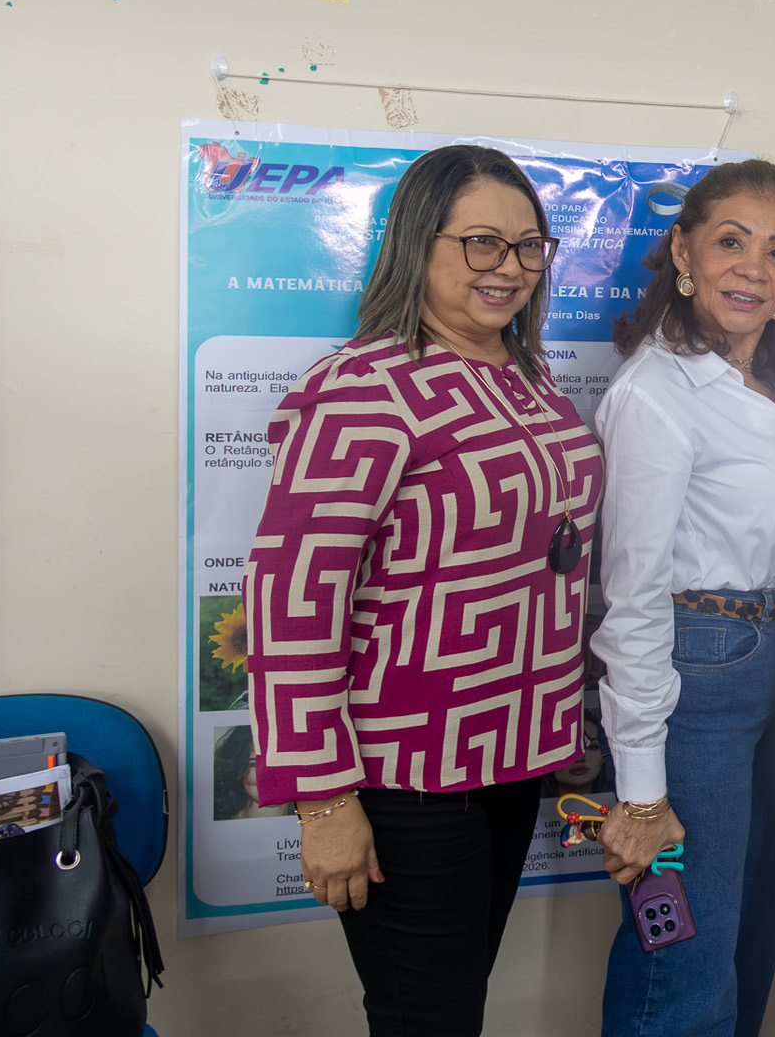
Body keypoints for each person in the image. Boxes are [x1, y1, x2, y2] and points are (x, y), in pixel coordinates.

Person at [245, 143, 602, 1037]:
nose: (508, 267)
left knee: (456, 1005)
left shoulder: (525, 376)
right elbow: (291, 600)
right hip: (403, 775)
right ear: (418, 242)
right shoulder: (359, 389)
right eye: (481, 242)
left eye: (528, 246)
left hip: (509, 757)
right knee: (426, 1018)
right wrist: (323, 799)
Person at [592, 159, 775, 1037]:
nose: (754, 268)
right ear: (683, 252)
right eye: (731, 242)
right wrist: (644, 796)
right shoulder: (656, 392)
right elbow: (634, 595)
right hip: (698, 681)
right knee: (684, 957)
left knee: (750, 937)